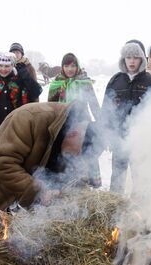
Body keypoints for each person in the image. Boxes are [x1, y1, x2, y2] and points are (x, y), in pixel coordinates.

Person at [0, 101, 96, 219]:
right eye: (76, 154)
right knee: (0, 241)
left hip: (19, 196)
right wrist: (39, 192)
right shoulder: (29, 117)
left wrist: (83, 195)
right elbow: (4, 165)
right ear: (73, 134)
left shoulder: (71, 131)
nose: (75, 158)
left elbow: (68, 172)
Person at [101, 41, 151, 193]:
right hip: (119, 137)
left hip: (140, 139)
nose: (132, 61)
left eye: (135, 57)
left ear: (141, 59)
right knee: (117, 175)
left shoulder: (149, 81)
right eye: (128, 57)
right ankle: (114, 205)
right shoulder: (116, 80)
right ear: (123, 59)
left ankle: (138, 207)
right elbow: (106, 110)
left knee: (140, 176)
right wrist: (107, 133)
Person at [48, 53, 102, 187]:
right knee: (64, 153)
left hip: (82, 123)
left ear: (77, 66)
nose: (70, 69)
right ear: (62, 67)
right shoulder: (57, 84)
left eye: (73, 65)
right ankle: (67, 182)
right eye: (66, 66)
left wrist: (101, 125)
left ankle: (87, 183)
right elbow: (50, 106)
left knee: (86, 152)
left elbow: (94, 104)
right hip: (62, 124)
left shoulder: (85, 83)